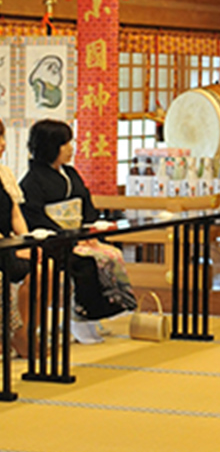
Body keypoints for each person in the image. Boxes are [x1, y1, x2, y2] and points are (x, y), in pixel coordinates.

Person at [19, 119, 136, 338]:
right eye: (65, 143)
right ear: (50, 146)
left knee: (112, 254)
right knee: (88, 262)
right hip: (54, 241)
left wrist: (89, 232)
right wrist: (72, 238)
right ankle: (81, 317)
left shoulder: (71, 174)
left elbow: (86, 205)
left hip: (78, 237)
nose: (71, 148)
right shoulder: (32, 181)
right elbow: (35, 217)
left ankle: (97, 314)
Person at [0, 119, 36, 358]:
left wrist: (26, 241)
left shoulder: (4, 173)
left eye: (2, 137)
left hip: (8, 245)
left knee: (45, 270)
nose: (3, 143)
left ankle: (23, 333)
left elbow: (15, 213)